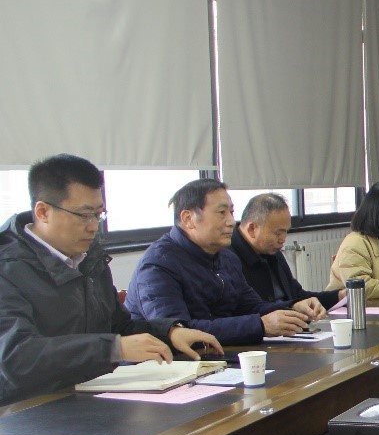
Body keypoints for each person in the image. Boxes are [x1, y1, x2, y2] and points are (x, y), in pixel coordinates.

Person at [0, 155, 221, 404]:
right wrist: (113, 348)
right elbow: (15, 358)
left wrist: (169, 333)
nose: (94, 227)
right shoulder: (7, 269)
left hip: (92, 396)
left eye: (99, 215)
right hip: (27, 411)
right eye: (84, 215)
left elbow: (118, 327)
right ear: (43, 212)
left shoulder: (89, 258)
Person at [125, 179, 321, 345]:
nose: (231, 222)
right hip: (169, 367)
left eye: (232, 212)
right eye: (221, 213)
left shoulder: (226, 257)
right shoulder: (158, 265)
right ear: (188, 218)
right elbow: (180, 332)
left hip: (221, 356)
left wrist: (292, 308)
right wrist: (261, 325)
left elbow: (251, 306)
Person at [231, 193, 342, 310]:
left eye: (286, 232)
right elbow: (249, 311)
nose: (283, 239)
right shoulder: (229, 259)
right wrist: (291, 307)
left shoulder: (272, 252)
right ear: (252, 229)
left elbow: (297, 296)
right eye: (278, 233)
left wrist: (338, 297)